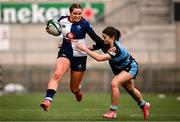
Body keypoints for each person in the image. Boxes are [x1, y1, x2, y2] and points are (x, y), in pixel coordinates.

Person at [75, 26, 150, 120]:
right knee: (131, 90)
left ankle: (113, 111)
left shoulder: (116, 49)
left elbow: (100, 58)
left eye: (105, 37)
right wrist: (76, 48)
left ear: (112, 37)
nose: (103, 39)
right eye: (102, 37)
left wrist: (84, 49)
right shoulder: (104, 43)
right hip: (120, 69)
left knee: (114, 83)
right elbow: (92, 48)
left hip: (130, 67)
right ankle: (144, 105)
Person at [40, 3, 106, 111]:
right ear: (70, 13)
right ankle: (47, 100)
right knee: (57, 74)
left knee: (73, 88)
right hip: (65, 51)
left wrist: (105, 47)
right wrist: (50, 31)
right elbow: (54, 30)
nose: (77, 16)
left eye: (79, 13)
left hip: (80, 55)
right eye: (75, 13)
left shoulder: (85, 24)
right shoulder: (62, 20)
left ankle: (77, 91)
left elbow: (97, 39)